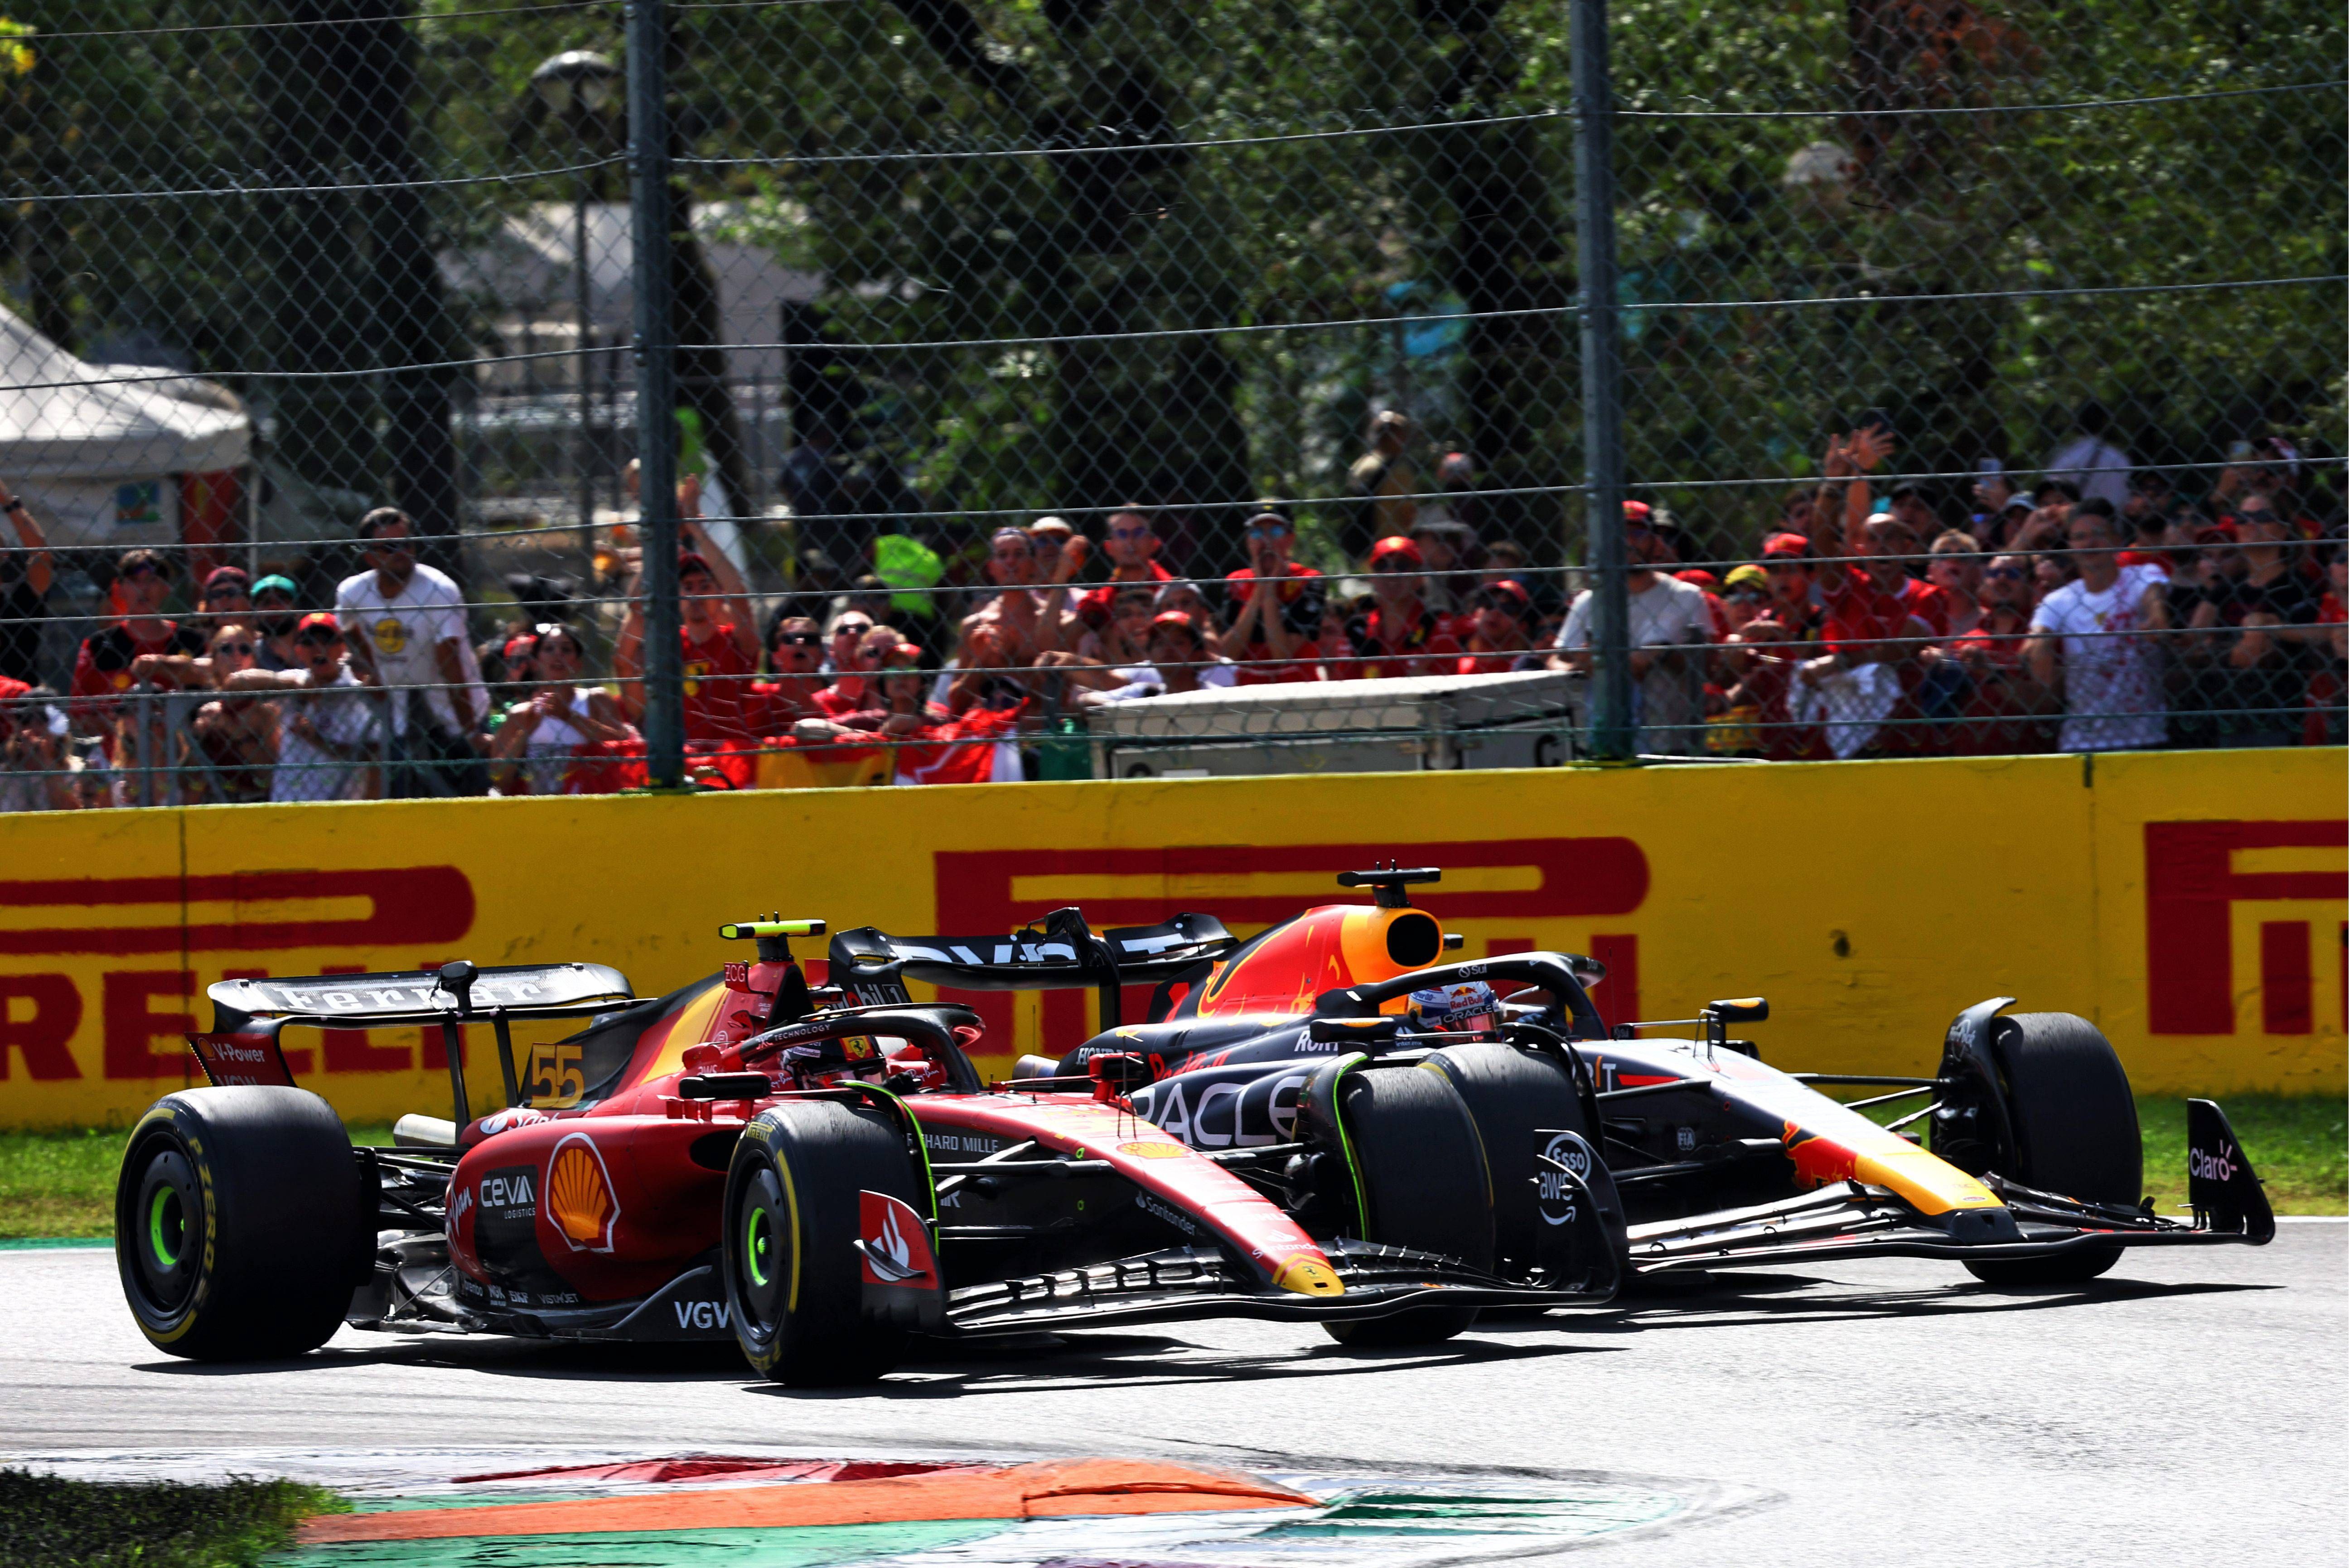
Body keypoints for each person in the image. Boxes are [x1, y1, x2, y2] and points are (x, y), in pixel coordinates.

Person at [334, 508, 486, 796]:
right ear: (370, 556)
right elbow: (348, 627)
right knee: (406, 807)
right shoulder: (353, 592)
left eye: (408, 543)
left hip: (455, 715)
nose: (402, 552)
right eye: (390, 547)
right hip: (401, 718)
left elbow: (451, 665)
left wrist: (469, 732)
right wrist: (374, 669)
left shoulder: (438, 591)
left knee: (465, 804)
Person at [1548, 508, 1711, 751]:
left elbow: (1708, 667)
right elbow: (1555, 660)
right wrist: (1578, 668)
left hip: (1671, 743)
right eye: (1620, 534)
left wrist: (1666, 655)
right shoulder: (1589, 601)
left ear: (1654, 541)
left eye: (1637, 533)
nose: (1629, 542)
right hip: (1601, 742)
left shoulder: (1686, 597)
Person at [2178, 498, 2324, 748]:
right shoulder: (2228, 588)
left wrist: (2268, 630)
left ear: (2283, 530)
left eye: (2263, 517)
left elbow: (2310, 639)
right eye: (2243, 518)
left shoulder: (2301, 588)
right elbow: (2194, 641)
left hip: (2280, 711)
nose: (2250, 524)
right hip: (2223, 711)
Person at [2023, 505, 2171, 752]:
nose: (2090, 542)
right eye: (2080, 537)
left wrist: (2156, 617)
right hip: (2082, 741)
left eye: (2099, 533)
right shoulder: (2060, 600)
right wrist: (2038, 646)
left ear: (2116, 540)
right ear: (2071, 548)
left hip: (2144, 737)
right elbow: (2038, 635)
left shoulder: (2142, 575)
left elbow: (2153, 597)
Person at [614, 527, 764, 745]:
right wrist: (659, 554)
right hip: (679, 758)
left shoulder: (736, 641)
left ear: (721, 594)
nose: (696, 595)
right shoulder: (667, 644)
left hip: (729, 759)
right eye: (688, 587)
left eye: (705, 586)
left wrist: (696, 526)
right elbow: (636, 611)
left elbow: (739, 597)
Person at [222, 613, 383, 801]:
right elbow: (234, 683)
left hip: (342, 806)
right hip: (290, 804)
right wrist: (293, 687)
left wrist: (318, 740)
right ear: (298, 651)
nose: (318, 648)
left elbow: (374, 754)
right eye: (309, 642)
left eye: (327, 640)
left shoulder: (357, 692)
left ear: (342, 648)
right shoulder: (295, 680)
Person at [70, 550, 206, 753]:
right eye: (134, 581)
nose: (143, 588)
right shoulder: (99, 646)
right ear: (121, 589)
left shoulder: (192, 642)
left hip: (180, 760)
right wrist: (128, 724)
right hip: (117, 761)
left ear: (167, 588)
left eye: (152, 580)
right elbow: (78, 716)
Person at [487, 624, 636, 794]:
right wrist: (524, 734)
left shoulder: (595, 700)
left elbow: (624, 744)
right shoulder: (521, 714)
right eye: (549, 649)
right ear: (535, 664)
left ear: (578, 664)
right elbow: (498, 779)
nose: (558, 654)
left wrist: (569, 716)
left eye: (566, 649)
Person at [1947, 554, 2054, 754]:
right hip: (1967, 760)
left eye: (2013, 574)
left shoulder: (2042, 638)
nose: (2002, 579)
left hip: (2030, 760)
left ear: (2032, 583)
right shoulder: (1966, 640)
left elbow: (2046, 705)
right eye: (1994, 573)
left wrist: (1992, 673)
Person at [1338, 536, 1463, 680]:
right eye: (1382, 566)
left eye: (1402, 566)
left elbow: (1449, 683)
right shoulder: (1357, 629)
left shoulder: (1436, 621)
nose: (1391, 573)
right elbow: (1345, 685)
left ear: (1419, 578)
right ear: (1372, 577)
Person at [1223, 510, 1325, 684]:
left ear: (1290, 539)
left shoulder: (1308, 581)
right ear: (1248, 541)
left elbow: (1281, 655)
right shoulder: (1236, 582)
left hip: (1297, 690)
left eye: (1276, 532)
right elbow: (1228, 654)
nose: (1267, 541)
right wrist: (1259, 589)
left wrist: (1269, 590)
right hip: (1246, 692)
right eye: (1257, 533)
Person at [1345, 410, 1420, 556]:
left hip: (1361, 547)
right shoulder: (1400, 470)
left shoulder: (1361, 464)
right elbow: (1409, 515)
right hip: (1392, 549)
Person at [0, 476, 51, 686]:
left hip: (20, 707)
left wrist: (9, 503)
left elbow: (42, 556)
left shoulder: (19, 599)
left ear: (5, 554)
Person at [0, 683, 77, 812]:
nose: (33, 728)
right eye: (26, 720)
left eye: (42, 720)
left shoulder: (75, 770)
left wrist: (46, 760)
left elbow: (72, 817)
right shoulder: (4, 774)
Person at [2044, 399, 2133, 510]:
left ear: (2076, 422)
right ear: (2104, 423)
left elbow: (2049, 489)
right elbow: (2127, 499)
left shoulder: (2067, 457)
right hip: (2110, 522)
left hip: (2074, 520)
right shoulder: (2119, 459)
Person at [1455, 579, 1542, 672]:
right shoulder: (1453, 647)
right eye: (1489, 603)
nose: (1496, 612)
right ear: (1476, 613)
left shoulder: (1526, 667)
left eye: (1508, 609)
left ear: (1522, 625)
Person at [248, 575, 304, 671]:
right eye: (266, 602)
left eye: (282, 600)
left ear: (296, 609)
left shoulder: (312, 648)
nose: (274, 607)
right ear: (255, 613)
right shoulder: (249, 654)